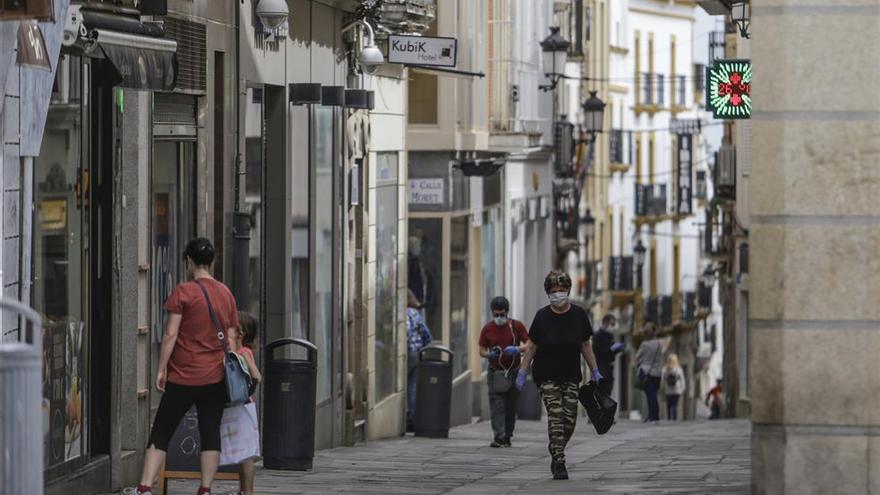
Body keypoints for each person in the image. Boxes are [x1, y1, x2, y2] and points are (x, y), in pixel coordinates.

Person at [126, 238, 239, 495]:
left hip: (183, 375)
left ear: (189, 261)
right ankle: (205, 489)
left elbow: (170, 334)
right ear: (212, 262)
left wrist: (161, 369)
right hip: (216, 376)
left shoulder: (183, 292)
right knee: (210, 431)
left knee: (162, 430)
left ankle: (144, 488)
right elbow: (231, 339)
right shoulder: (226, 293)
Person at [516, 270, 602, 480]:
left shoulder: (579, 315)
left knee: (569, 420)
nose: (558, 294)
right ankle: (560, 462)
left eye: (562, 290)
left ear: (568, 290)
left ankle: (555, 446)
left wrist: (595, 370)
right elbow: (532, 346)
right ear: (548, 293)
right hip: (546, 375)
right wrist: (522, 371)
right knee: (555, 416)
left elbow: (585, 345)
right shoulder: (542, 316)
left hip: (571, 375)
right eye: (554, 291)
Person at [478, 296, 529, 448]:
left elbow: (529, 344)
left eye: (502, 314)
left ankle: (507, 435)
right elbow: (481, 350)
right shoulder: (487, 329)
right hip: (496, 372)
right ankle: (499, 435)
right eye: (496, 314)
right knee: (497, 404)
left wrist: (517, 349)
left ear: (507, 312)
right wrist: (489, 354)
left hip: (513, 371)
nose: (499, 317)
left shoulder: (516, 326)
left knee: (510, 405)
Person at [230, 312, 263, 495]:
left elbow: (257, 375)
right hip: (241, 406)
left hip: (244, 406)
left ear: (240, 334)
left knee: (246, 453)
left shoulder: (243, 352)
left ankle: (248, 491)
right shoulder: (239, 352)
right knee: (241, 452)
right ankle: (242, 490)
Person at [406, 289, 432, 431]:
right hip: (416, 353)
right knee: (412, 386)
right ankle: (413, 417)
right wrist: (422, 346)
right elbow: (427, 334)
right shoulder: (415, 314)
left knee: (405, 386)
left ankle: (407, 416)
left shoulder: (404, 313)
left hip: (407, 353)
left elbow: (406, 332)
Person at [636, 322, 663, 423]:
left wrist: (642, 361)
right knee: (654, 394)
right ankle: (652, 415)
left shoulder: (644, 344)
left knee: (650, 396)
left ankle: (654, 417)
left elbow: (637, 357)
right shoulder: (659, 344)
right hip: (658, 373)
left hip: (647, 373)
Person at [592, 314, 625, 396]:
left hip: (610, 366)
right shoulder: (597, 336)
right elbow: (596, 351)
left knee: (608, 392)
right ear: (605, 323)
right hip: (601, 367)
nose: (613, 327)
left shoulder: (610, 335)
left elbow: (612, 350)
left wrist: (618, 348)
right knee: (601, 392)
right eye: (612, 324)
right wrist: (610, 350)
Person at [661, 353, 685, 421]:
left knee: (669, 405)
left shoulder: (665, 369)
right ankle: (674, 418)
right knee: (675, 405)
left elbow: (662, 380)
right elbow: (682, 380)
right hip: (677, 390)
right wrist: (682, 389)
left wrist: (662, 388)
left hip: (668, 390)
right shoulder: (679, 369)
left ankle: (669, 418)